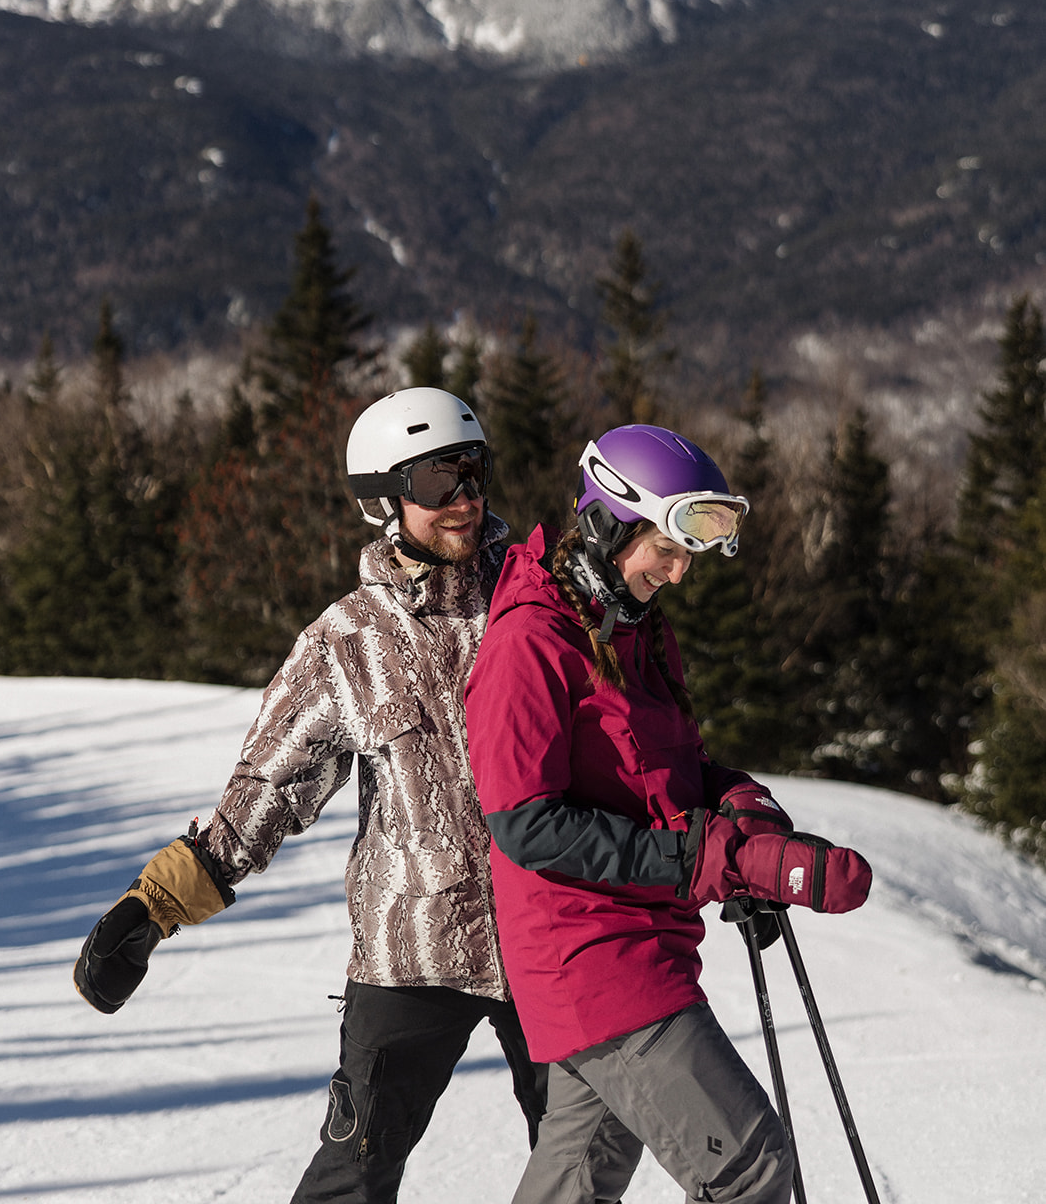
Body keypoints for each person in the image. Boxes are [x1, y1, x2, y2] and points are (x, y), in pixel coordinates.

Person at [73, 388, 638, 1204]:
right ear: (384, 497)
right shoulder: (346, 642)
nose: (466, 499)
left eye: (473, 473)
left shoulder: (541, 605)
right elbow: (265, 791)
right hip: (410, 950)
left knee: (582, 1173)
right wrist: (152, 906)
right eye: (437, 481)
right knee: (352, 1175)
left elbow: (627, 741)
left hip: (545, 935)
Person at [465, 424, 874, 1204]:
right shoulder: (531, 643)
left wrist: (741, 805)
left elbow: (664, 767)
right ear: (607, 522)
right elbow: (525, 825)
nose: (679, 573)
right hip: (591, 956)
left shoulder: (630, 627)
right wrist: (715, 859)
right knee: (747, 1167)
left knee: (576, 1183)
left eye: (690, 554)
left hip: (641, 946)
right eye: (666, 547)